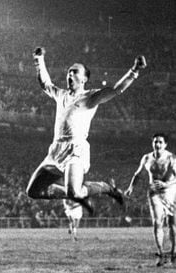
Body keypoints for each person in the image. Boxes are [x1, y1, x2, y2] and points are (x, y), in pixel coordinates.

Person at [26, 47, 147, 213]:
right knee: (33, 191)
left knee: (74, 191)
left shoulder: (90, 97)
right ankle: (72, 194)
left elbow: (116, 89)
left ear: (84, 79)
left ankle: (106, 188)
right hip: (55, 150)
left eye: (74, 72)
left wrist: (135, 70)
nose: (70, 74)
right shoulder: (61, 95)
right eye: (69, 72)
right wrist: (39, 60)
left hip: (75, 149)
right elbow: (45, 83)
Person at [124, 133, 176, 266]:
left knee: (172, 224)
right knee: (157, 222)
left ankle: (174, 252)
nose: (157, 144)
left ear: (165, 144)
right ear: (152, 143)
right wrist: (130, 188)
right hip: (154, 193)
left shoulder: (171, 158)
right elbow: (138, 174)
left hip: (171, 192)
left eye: (160, 142)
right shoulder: (146, 158)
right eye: (155, 142)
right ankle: (160, 254)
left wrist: (166, 184)